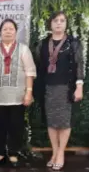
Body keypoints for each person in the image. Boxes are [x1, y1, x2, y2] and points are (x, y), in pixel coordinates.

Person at [0, 18, 36, 167]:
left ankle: (13, 153)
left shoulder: (23, 49)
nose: (8, 31)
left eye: (11, 29)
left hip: (18, 96)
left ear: (16, 32)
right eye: (5, 29)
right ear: (0, 32)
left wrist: (28, 92)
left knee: (16, 126)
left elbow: (30, 72)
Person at [34, 11, 84, 171]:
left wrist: (79, 86)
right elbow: (38, 67)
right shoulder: (43, 43)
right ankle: (54, 152)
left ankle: (61, 153)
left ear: (66, 24)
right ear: (50, 23)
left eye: (62, 20)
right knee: (51, 122)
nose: (58, 23)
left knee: (64, 122)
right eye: (55, 20)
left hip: (66, 88)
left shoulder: (73, 43)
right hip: (47, 88)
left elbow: (79, 65)